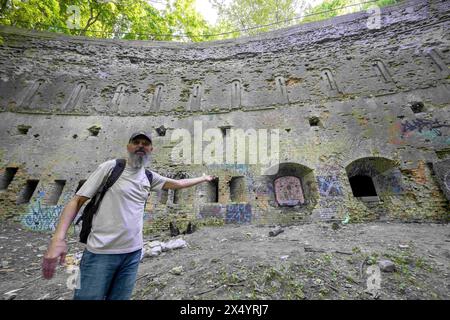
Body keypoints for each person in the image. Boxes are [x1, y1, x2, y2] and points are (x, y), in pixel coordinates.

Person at [42, 131, 215, 300]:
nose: (141, 146)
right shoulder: (111, 167)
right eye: (136, 142)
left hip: (132, 254)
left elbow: (178, 183)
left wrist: (203, 179)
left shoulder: (149, 176)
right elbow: (77, 201)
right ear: (128, 147)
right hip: (100, 253)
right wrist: (58, 239)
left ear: (151, 149)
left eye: (145, 144)